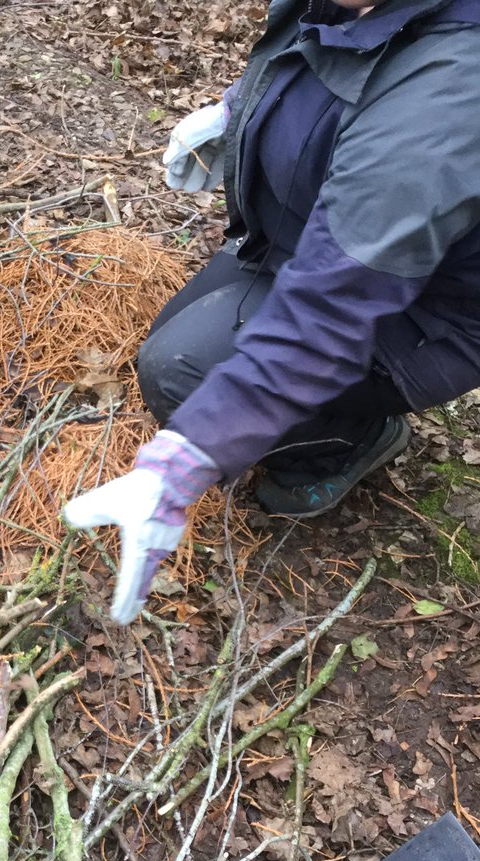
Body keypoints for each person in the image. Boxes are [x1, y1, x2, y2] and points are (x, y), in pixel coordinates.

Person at [64, 0, 480, 624]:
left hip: (421, 311)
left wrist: (183, 463)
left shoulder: (446, 101)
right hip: (313, 243)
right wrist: (236, 112)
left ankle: (348, 442)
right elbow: (318, 60)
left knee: (182, 373)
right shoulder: (349, 5)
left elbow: (328, 312)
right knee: (175, 343)